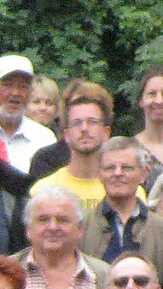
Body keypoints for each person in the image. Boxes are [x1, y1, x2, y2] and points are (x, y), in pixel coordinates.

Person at [83, 137, 163, 289]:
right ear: (99, 174)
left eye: (126, 168)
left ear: (144, 173)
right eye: (110, 168)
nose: (117, 173)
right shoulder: (81, 227)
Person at [32, 81, 113, 210]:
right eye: (77, 123)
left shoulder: (126, 190)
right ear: (66, 135)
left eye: (92, 121)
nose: (84, 128)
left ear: (106, 132)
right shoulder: (42, 190)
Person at [0, 53, 54, 174]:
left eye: (23, 86)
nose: (15, 93)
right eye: (8, 85)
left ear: (30, 92)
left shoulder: (45, 138)